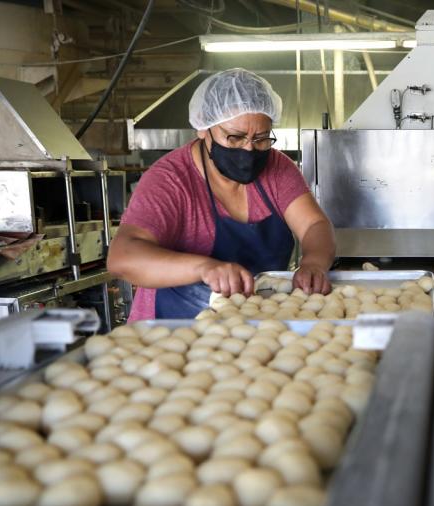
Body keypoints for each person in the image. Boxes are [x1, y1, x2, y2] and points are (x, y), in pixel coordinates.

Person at [108, 68, 335, 320]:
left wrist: (314, 262)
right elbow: (122, 257)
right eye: (235, 137)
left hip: (254, 324)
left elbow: (314, 224)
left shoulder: (277, 167)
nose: (249, 149)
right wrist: (204, 267)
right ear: (203, 129)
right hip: (176, 327)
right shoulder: (170, 180)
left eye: (260, 139)